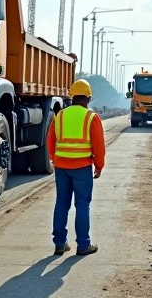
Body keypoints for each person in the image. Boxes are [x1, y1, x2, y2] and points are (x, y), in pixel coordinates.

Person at [47, 78, 105, 256]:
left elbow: (50, 141)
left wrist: (56, 160)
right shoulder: (91, 117)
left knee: (61, 203)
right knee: (82, 205)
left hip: (62, 168)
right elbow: (99, 146)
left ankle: (59, 244)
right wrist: (99, 166)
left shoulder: (60, 115)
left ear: (72, 97)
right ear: (88, 98)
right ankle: (83, 245)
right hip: (82, 168)